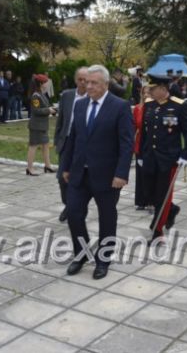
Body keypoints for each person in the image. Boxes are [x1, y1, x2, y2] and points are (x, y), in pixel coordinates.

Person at [60, 65, 134, 279]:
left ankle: (103, 259)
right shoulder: (81, 105)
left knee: (107, 218)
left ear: (105, 85)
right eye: (86, 82)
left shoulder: (120, 107)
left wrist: (121, 174)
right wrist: (65, 167)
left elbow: (126, 143)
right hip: (78, 174)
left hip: (108, 176)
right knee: (73, 213)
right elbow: (72, 138)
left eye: (93, 83)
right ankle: (81, 253)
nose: (88, 86)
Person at [140, 74, 187, 242]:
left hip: (169, 158)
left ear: (163, 89)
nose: (149, 91)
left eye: (152, 89)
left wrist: (186, 155)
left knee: (162, 195)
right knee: (148, 193)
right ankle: (171, 210)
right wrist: (141, 154)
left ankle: (158, 230)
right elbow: (144, 132)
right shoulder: (149, 105)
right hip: (149, 156)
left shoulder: (179, 106)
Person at [54, 67, 88, 222]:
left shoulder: (92, 98)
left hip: (82, 144)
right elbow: (60, 120)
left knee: (78, 178)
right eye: (80, 79)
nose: (82, 82)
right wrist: (57, 140)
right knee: (62, 178)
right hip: (66, 142)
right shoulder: (67, 96)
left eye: (85, 79)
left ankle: (74, 207)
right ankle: (69, 204)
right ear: (75, 80)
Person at [26, 74, 56, 176]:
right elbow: (36, 110)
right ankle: (29, 168)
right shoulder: (35, 95)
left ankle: (47, 165)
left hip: (42, 126)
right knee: (33, 146)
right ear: (41, 84)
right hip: (36, 126)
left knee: (46, 145)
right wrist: (48, 110)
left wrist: (52, 109)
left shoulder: (42, 94)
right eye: (46, 83)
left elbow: (45, 107)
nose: (47, 85)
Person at [133, 84, 152, 210]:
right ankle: (141, 201)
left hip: (153, 145)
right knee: (140, 173)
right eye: (144, 93)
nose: (146, 95)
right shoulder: (137, 109)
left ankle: (151, 200)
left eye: (149, 93)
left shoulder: (156, 108)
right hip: (140, 143)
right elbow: (133, 127)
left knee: (150, 173)